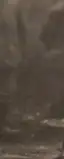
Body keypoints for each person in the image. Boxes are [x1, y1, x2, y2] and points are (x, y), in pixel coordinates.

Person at [0, 0, 26, 138]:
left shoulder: (12, 6)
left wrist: (19, 51)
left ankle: (2, 124)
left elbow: (21, 32)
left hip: (7, 57)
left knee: (6, 92)